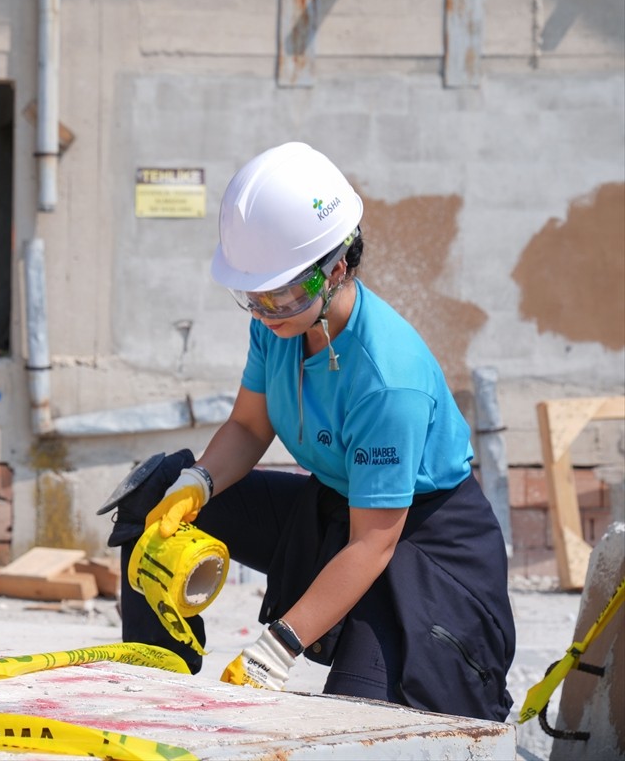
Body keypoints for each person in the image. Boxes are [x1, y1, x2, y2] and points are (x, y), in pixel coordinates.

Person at [104, 141, 516, 722]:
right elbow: (249, 426)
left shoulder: (387, 378)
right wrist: (196, 484)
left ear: (337, 269)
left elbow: (373, 542)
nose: (268, 312)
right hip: (337, 511)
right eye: (254, 297)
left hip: (421, 544)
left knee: (358, 717)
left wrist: (280, 645)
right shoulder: (279, 325)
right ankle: (156, 687)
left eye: (283, 294)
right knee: (155, 490)